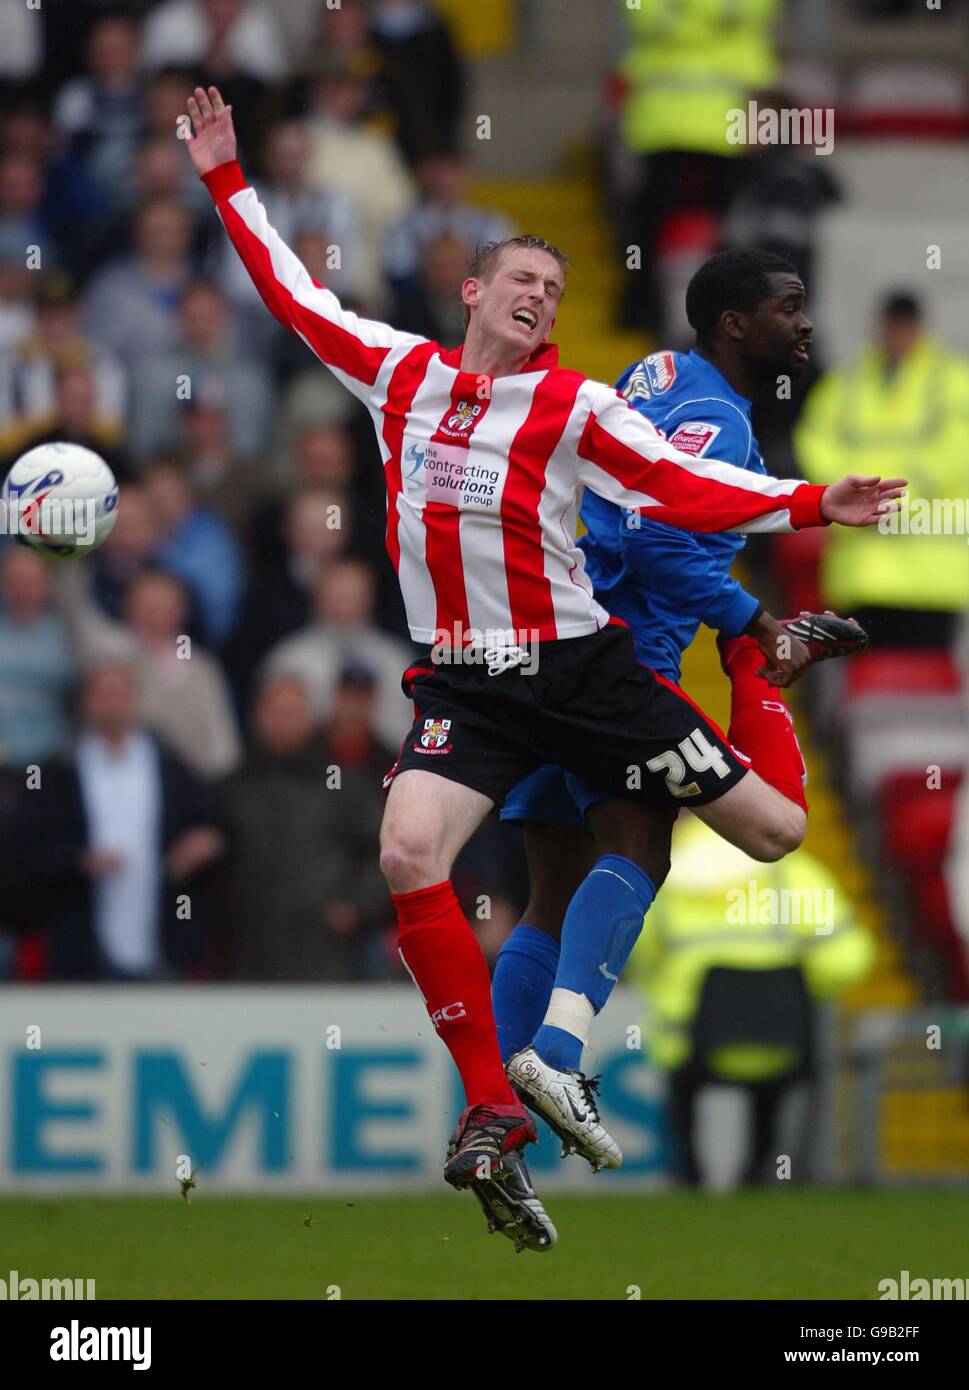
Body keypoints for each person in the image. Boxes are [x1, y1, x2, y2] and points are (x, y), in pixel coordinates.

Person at [184, 85, 903, 1252]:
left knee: (771, 832)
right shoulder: (397, 373)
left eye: (556, 292)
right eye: (521, 281)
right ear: (472, 292)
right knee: (408, 851)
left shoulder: (571, 406)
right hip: (468, 680)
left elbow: (681, 487)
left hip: (580, 671)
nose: (539, 299)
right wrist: (226, 175)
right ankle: (489, 1112)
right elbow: (291, 291)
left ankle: (761, 665)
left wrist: (815, 501)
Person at [493, 249, 867, 1169]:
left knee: (550, 889)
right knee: (643, 848)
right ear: (735, 325)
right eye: (789, 307)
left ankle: (492, 1111)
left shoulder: (653, 374)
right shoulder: (713, 415)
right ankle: (557, 1055)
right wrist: (755, 622)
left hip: (549, 640)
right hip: (620, 665)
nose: (805, 322)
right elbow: (658, 534)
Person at [625, 815, 873, 1187]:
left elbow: (638, 953)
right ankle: (757, 1173)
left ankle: (688, 1173)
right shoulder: (794, 875)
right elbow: (852, 957)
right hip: (781, 1043)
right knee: (773, 1083)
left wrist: (659, 983)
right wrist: (803, 985)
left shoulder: (663, 875)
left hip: (689, 1044)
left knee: (681, 1081)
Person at [795, 292, 969, 649]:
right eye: (892, 326)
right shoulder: (848, 382)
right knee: (866, 681)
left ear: (920, 328)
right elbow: (814, 438)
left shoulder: (952, 380)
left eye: (904, 326)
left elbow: (956, 450)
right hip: (863, 574)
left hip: (931, 577)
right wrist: (853, 492)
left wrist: (888, 497)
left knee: (924, 683)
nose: (897, 335)